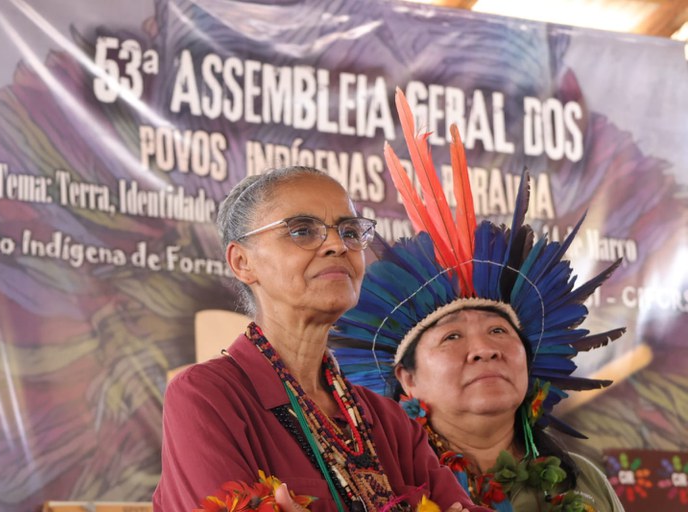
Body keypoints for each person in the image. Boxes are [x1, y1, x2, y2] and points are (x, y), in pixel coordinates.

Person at [331, 91, 626, 511]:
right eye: (451, 337)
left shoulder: (583, 484)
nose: (485, 349)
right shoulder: (376, 487)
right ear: (407, 379)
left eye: (498, 330)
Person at [153, 165, 491, 511]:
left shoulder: (389, 422)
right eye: (302, 231)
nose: (337, 245)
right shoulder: (207, 397)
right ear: (242, 262)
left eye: (349, 231)